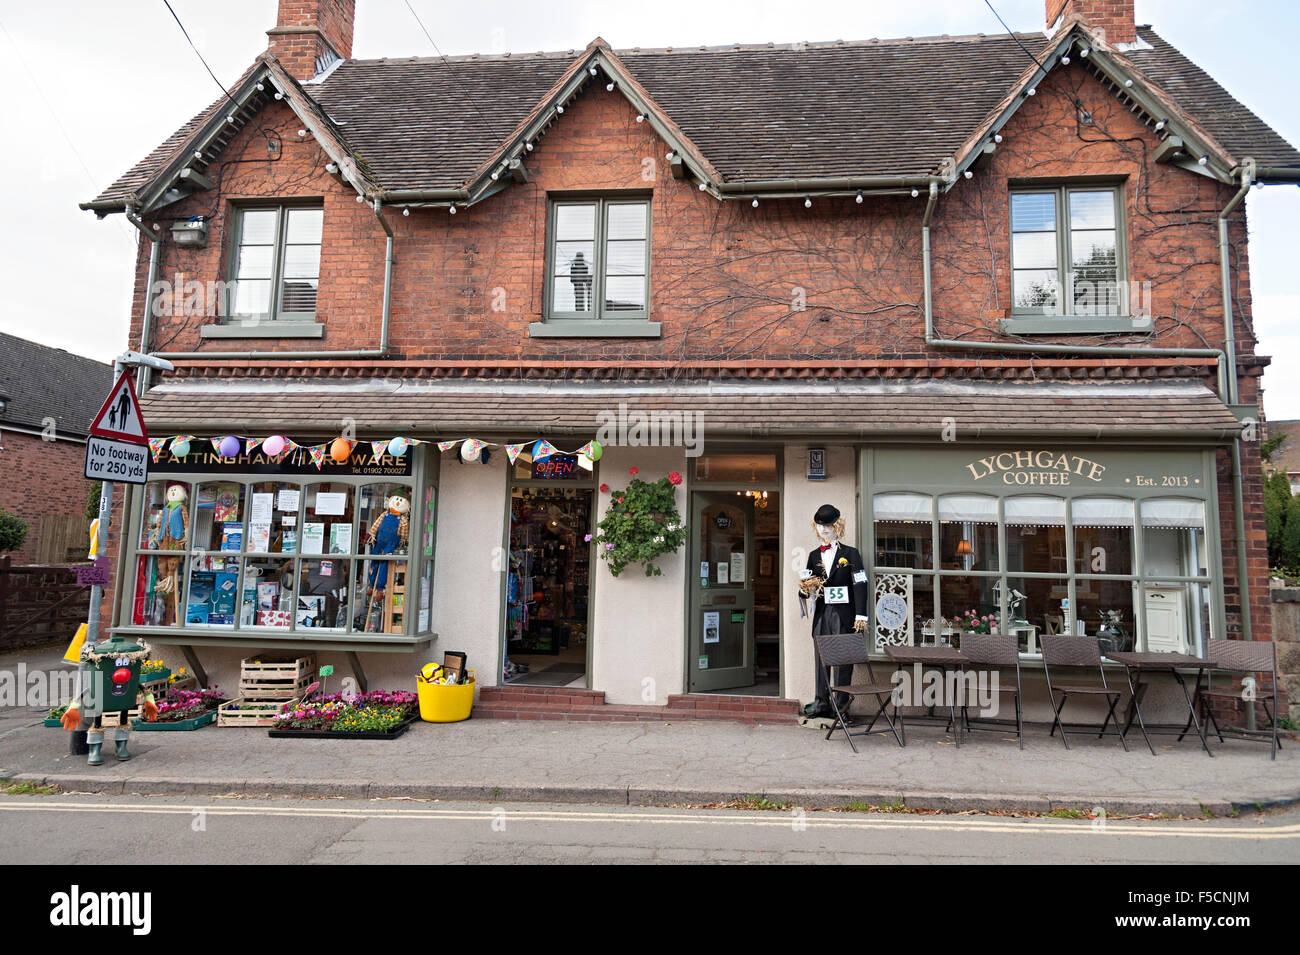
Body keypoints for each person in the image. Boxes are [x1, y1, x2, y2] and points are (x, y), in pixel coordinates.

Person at [798, 504, 869, 720]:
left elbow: (860, 585)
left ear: (837, 526)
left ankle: (842, 708)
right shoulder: (812, 555)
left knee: (843, 662)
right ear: (816, 527)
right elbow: (806, 587)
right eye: (821, 525)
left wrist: (860, 615)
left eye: (828, 525)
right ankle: (821, 705)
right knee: (821, 660)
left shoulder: (851, 553)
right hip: (821, 614)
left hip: (844, 614)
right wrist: (803, 591)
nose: (824, 529)